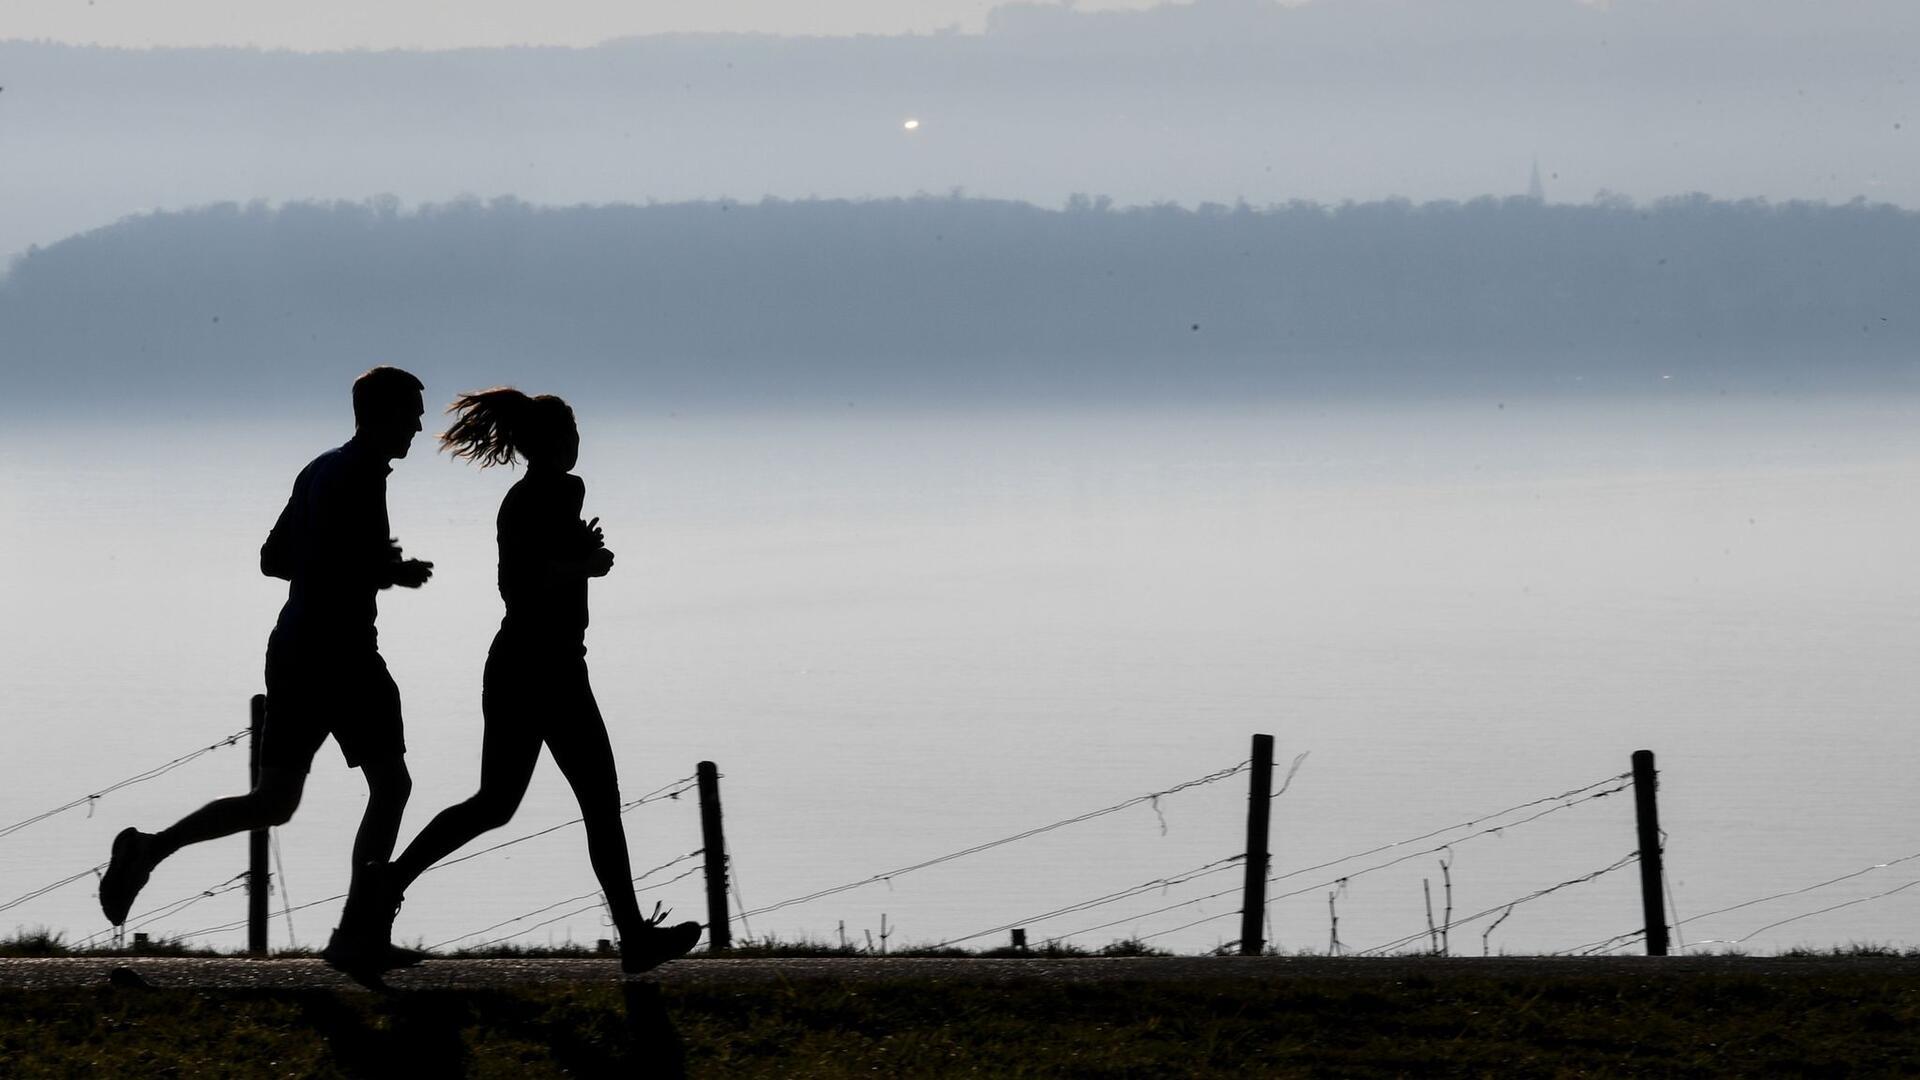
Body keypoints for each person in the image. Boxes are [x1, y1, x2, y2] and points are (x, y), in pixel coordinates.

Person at [99, 366, 434, 982]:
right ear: (380, 413)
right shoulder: (355, 475)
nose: (419, 423)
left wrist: (363, 564)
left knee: (274, 802)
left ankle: (150, 849)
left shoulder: (320, 469)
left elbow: (272, 559)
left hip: (295, 649)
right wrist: (385, 571)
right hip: (343, 653)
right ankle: (358, 934)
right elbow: (325, 565)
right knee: (391, 786)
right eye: (411, 411)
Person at [379, 387, 699, 973]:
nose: (580, 444)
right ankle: (633, 942)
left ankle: (390, 881)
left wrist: (581, 550)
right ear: (556, 441)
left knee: (498, 803)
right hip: (539, 666)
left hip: (537, 664)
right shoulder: (529, 500)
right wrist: (585, 563)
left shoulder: (560, 494)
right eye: (573, 434)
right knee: (582, 802)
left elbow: (553, 558)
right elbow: (520, 586)